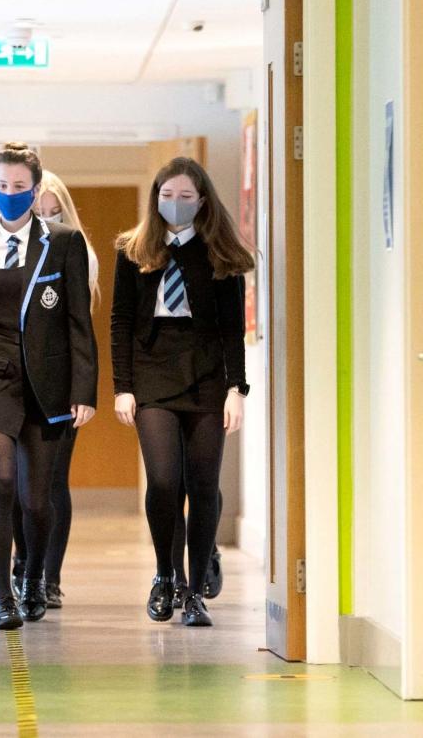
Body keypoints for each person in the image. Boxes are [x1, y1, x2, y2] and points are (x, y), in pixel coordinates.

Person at [0, 143, 98, 629]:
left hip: (44, 382)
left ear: (35, 192)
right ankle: (2, 597)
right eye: (2, 186)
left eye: (19, 187)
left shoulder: (64, 243)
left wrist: (84, 391)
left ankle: (34, 575)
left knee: (36, 497)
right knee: (2, 481)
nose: (10, 195)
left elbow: (78, 323)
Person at [110, 156, 252, 627]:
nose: (175, 204)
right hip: (152, 376)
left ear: (203, 201)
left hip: (207, 375)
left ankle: (195, 591)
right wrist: (123, 388)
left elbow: (234, 327)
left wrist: (237, 389)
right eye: (167, 196)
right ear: (155, 200)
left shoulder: (220, 253)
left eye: (185, 197)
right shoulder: (133, 249)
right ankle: (164, 575)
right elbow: (121, 322)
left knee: (203, 483)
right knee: (166, 480)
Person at [9, 171, 100, 609]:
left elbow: (81, 329)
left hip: (59, 385)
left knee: (50, 483)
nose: (45, 218)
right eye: (38, 210)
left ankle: (49, 575)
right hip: (12, 382)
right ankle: (23, 564)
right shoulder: (1, 247)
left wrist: (83, 389)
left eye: (53, 211)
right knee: (13, 481)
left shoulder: (75, 249)